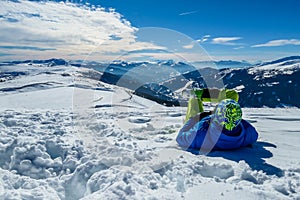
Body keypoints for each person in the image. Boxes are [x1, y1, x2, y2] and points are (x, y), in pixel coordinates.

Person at [176, 99, 258, 151]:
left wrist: (194, 119)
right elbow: (243, 125)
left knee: (194, 101)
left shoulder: (200, 135)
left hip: (201, 123)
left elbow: (180, 138)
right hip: (214, 122)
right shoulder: (249, 134)